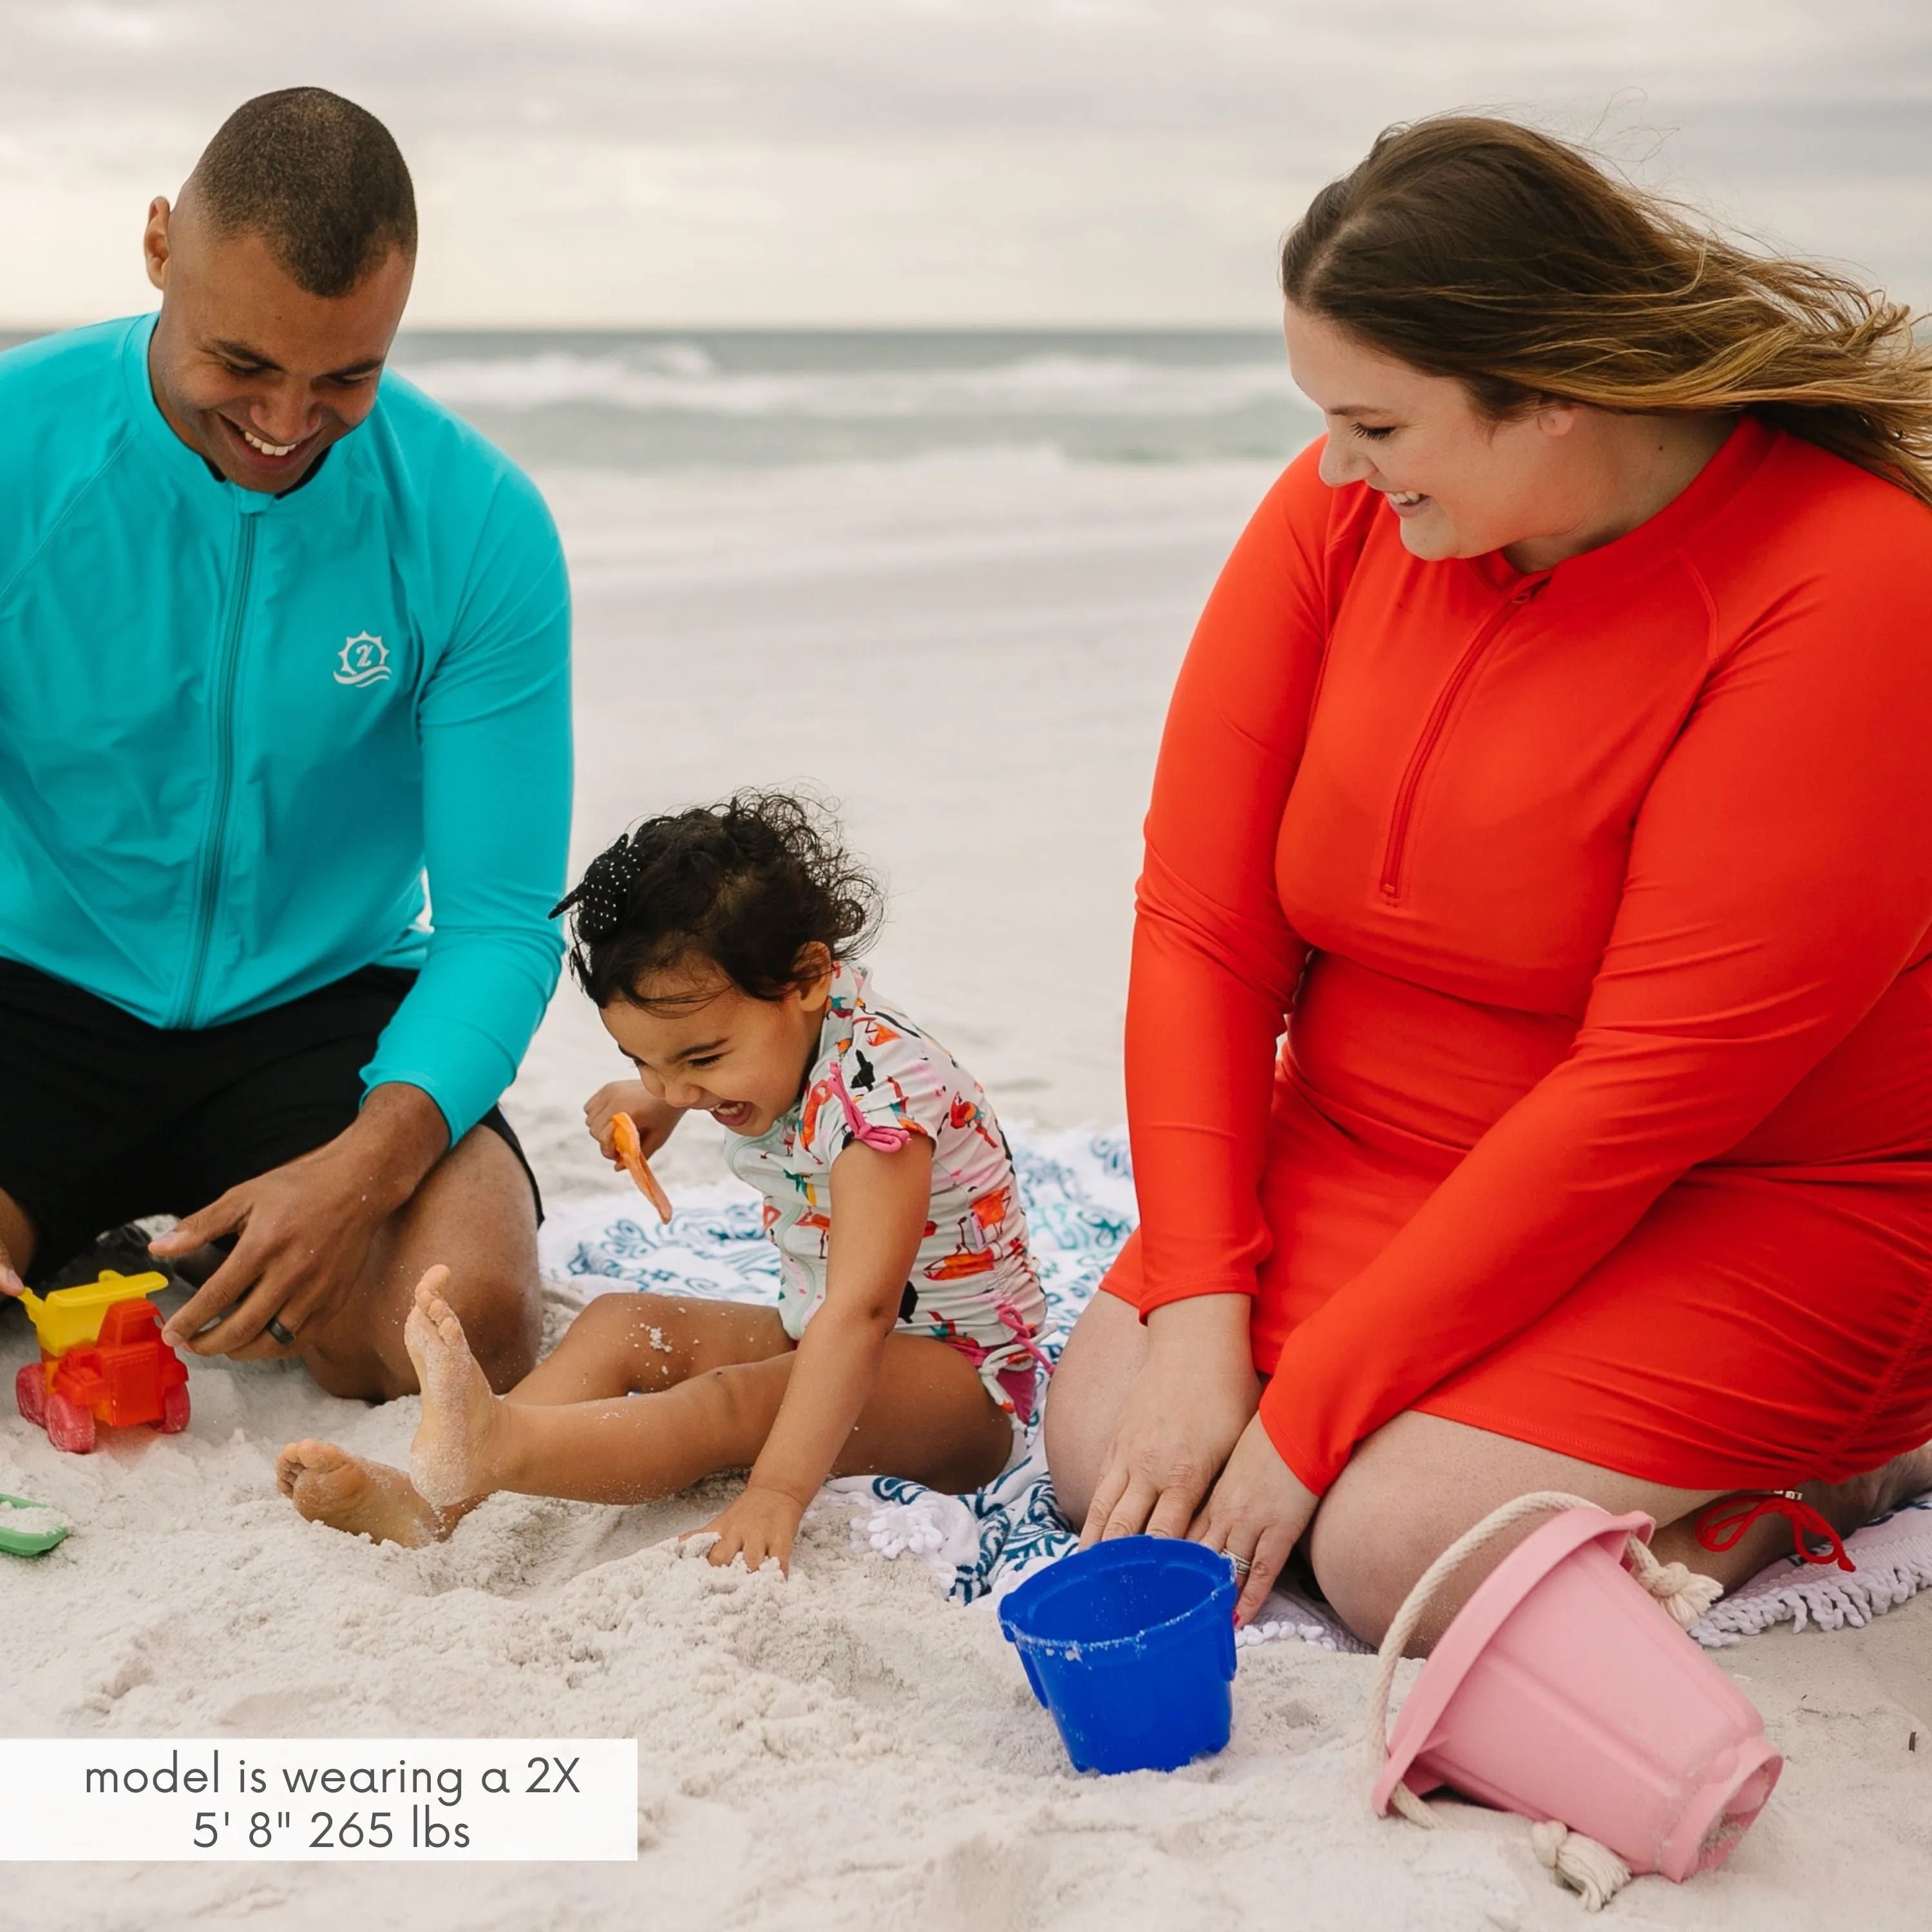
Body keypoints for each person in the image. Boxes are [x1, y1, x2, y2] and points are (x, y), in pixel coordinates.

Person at [1044, 115, 1932, 1646]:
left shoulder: (1852, 584)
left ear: (1552, 399)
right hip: (1368, 1144)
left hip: (1743, 1199)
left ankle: (1846, 1467)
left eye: (1376, 426)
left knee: (1404, 1548)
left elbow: (1647, 1092)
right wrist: (1197, 1300)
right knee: (1111, 1449)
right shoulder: (1344, 507)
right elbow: (1200, 922)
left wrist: (1306, 1416)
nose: (1331, 464)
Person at [0, 90, 571, 1399]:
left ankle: (208, 1232)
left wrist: (368, 1163)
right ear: (159, 248)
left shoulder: (479, 526)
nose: (284, 420)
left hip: (317, 1013)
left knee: (461, 1329)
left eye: (346, 376)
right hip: (28, 990)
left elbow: (497, 924)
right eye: (244, 364)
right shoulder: (13, 449)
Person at [276, 793, 1048, 1566]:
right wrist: (666, 1097)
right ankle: (436, 1501)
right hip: (822, 1327)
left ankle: (503, 1446)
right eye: (644, 1061)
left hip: (962, 1388)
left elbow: (862, 1314)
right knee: (618, 1322)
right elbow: (757, 1067)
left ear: (808, 977)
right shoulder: (795, 1016)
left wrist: (776, 1494)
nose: (676, 1088)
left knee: (730, 1405)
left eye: (701, 1061)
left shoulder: (883, 1116)